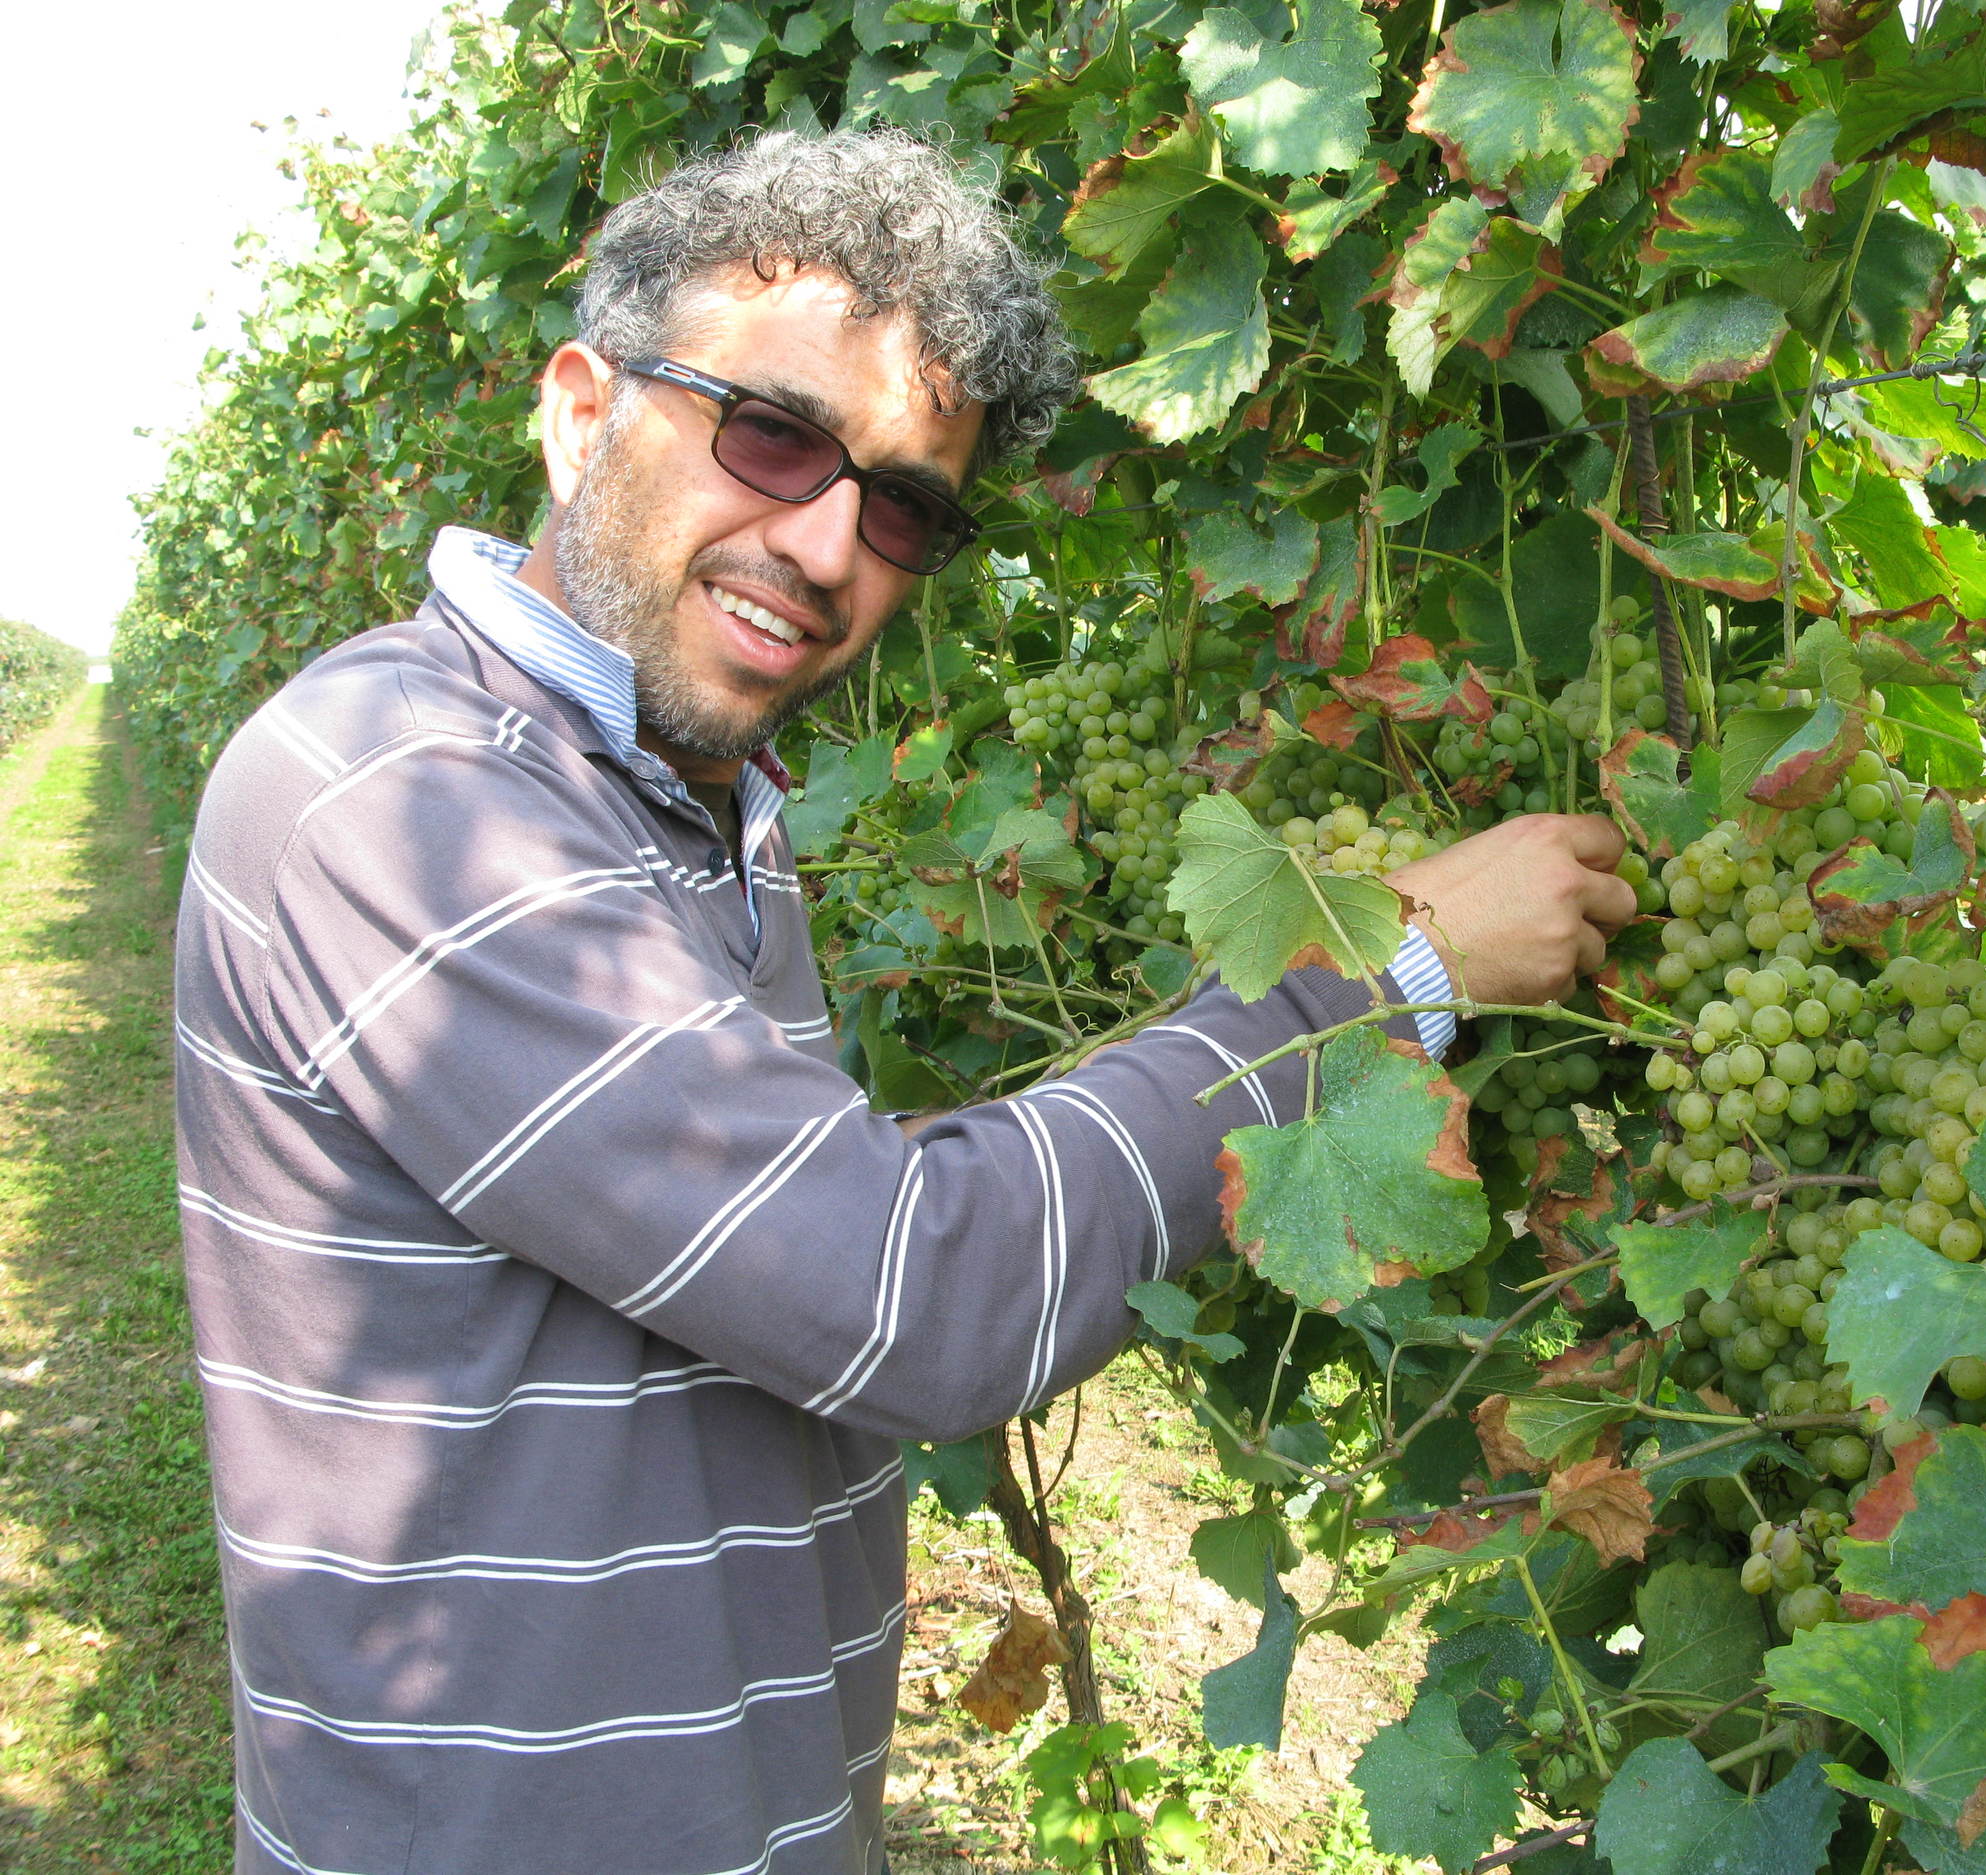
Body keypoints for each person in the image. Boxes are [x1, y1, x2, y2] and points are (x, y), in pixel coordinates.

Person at [172, 126, 1635, 1875]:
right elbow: (897, 1285)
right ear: (580, 411)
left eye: (905, 505)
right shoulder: (399, 794)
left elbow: (781, 1236)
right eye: (772, 432)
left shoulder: (685, 794)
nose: (825, 541)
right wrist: (1376, 986)